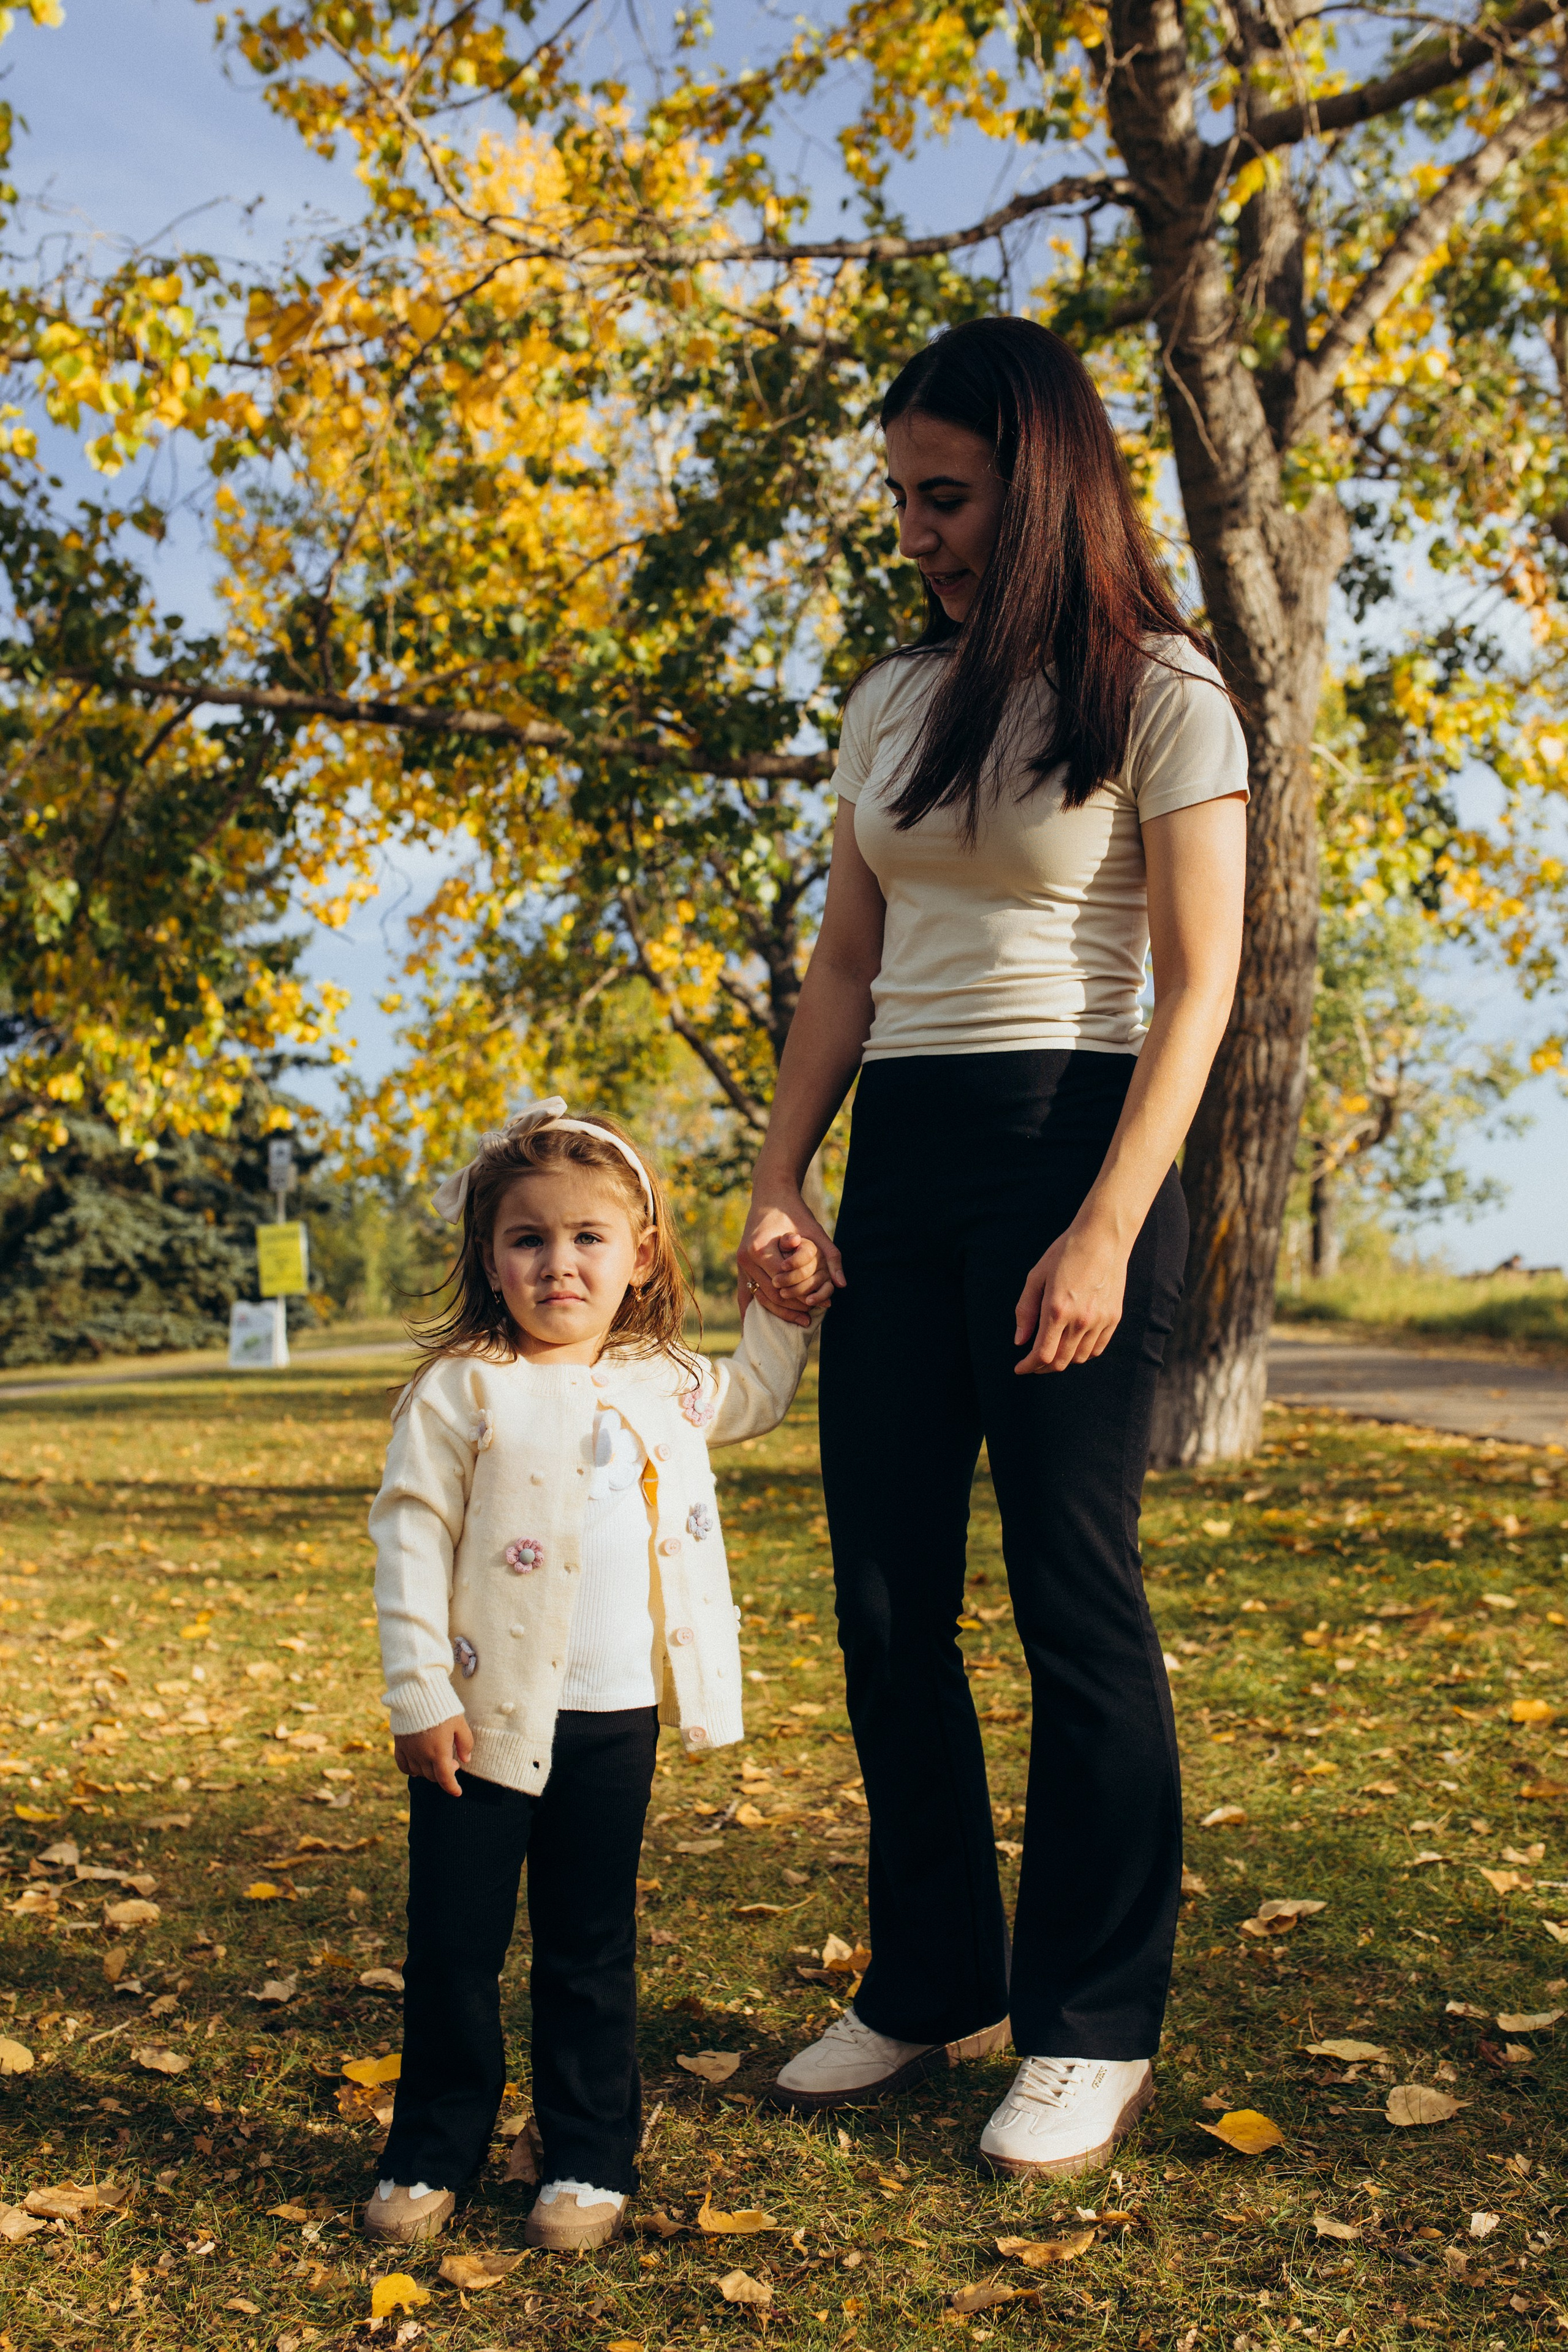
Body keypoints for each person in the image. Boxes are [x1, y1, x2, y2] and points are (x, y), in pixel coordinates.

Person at [739, 316, 1250, 2178]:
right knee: (886, 1595)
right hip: (910, 1157)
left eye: (941, 496)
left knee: (1071, 1596)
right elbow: (849, 969)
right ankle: (932, 1975)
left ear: (1039, 486)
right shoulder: (893, 698)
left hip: (1078, 1143)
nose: (913, 530)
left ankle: (1092, 2019)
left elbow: (1199, 993)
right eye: (898, 496)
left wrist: (1109, 1228)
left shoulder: (1168, 697)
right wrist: (782, 1182)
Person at [365, 1098, 820, 2250]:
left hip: (615, 1719)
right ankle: (433, 2151)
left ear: (640, 1253)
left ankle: (587, 2156)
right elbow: (409, 1533)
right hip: (478, 1722)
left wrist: (780, 1306)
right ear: (489, 1256)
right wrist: (420, 1692)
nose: (558, 1263)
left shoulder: (665, 1379)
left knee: (588, 1944)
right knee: (457, 1945)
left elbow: (756, 1398)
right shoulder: (464, 1388)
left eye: (587, 1238)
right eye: (528, 1239)